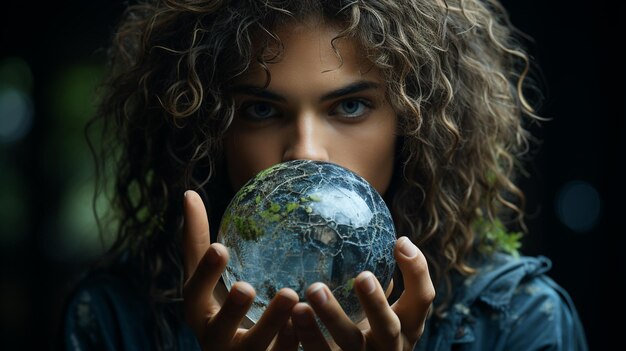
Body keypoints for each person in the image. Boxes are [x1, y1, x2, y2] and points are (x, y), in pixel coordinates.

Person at [61, 0, 589, 350]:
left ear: (412, 121)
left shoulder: (517, 320)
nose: (306, 153)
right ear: (205, 127)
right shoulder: (115, 318)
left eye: (351, 107)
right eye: (261, 111)